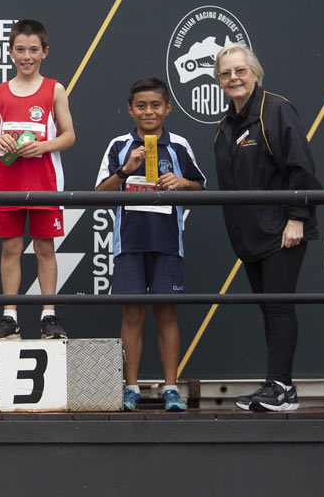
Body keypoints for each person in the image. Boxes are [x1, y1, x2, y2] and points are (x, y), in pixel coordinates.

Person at [213, 44, 321, 412]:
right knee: (269, 309)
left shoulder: (276, 110)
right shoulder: (225, 125)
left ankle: (282, 389)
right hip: (250, 237)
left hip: (283, 231)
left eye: (240, 71)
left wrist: (297, 217)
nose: (233, 79)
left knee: (278, 308)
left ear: (255, 73)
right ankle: (276, 385)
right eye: (225, 74)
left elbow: (301, 168)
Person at [95, 77, 206, 412]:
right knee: (132, 315)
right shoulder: (118, 145)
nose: (148, 111)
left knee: (167, 314)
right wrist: (124, 170)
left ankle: (172, 388)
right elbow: (98, 194)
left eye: (156, 105)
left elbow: (202, 189)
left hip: (168, 243)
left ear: (168, 108)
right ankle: (131, 388)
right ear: (130, 109)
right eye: (141, 105)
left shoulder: (180, 145)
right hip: (128, 244)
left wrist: (183, 182)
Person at [0, 19, 76, 340]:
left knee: (44, 248)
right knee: (10, 248)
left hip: (44, 183)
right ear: (10, 52)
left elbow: (69, 136)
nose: (27, 56)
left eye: (33, 50)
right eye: (20, 49)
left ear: (45, 52)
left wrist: (43, 146)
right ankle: (10, 317)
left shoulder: (55, 89)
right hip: (7, 183)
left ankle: (48, 315)